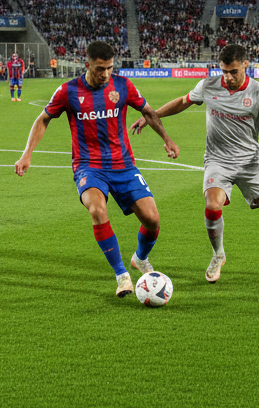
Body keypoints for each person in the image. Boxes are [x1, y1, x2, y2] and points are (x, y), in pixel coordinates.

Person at [14, 41, 179, 298]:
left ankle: (140, 258)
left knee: (153, 220)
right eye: (100, 68)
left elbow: (148, 112)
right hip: (88, 166)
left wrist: (167, 139)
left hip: (123, 165)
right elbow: (43, 118)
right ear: (87, 63)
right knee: (97, 209)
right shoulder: (68, 91)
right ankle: (122, 275)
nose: (105, 74)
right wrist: (27, 154)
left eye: (109, 68)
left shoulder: (123, 86)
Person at [133, 43, 259, 283]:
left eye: (233, 71)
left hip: (250, 163)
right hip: (218, 160)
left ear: (246, 65)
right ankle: (218, 255)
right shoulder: (209, 85)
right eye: (224, 71)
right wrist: (151, 115)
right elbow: (183, 101)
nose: (228, 77)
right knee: (213, 205)